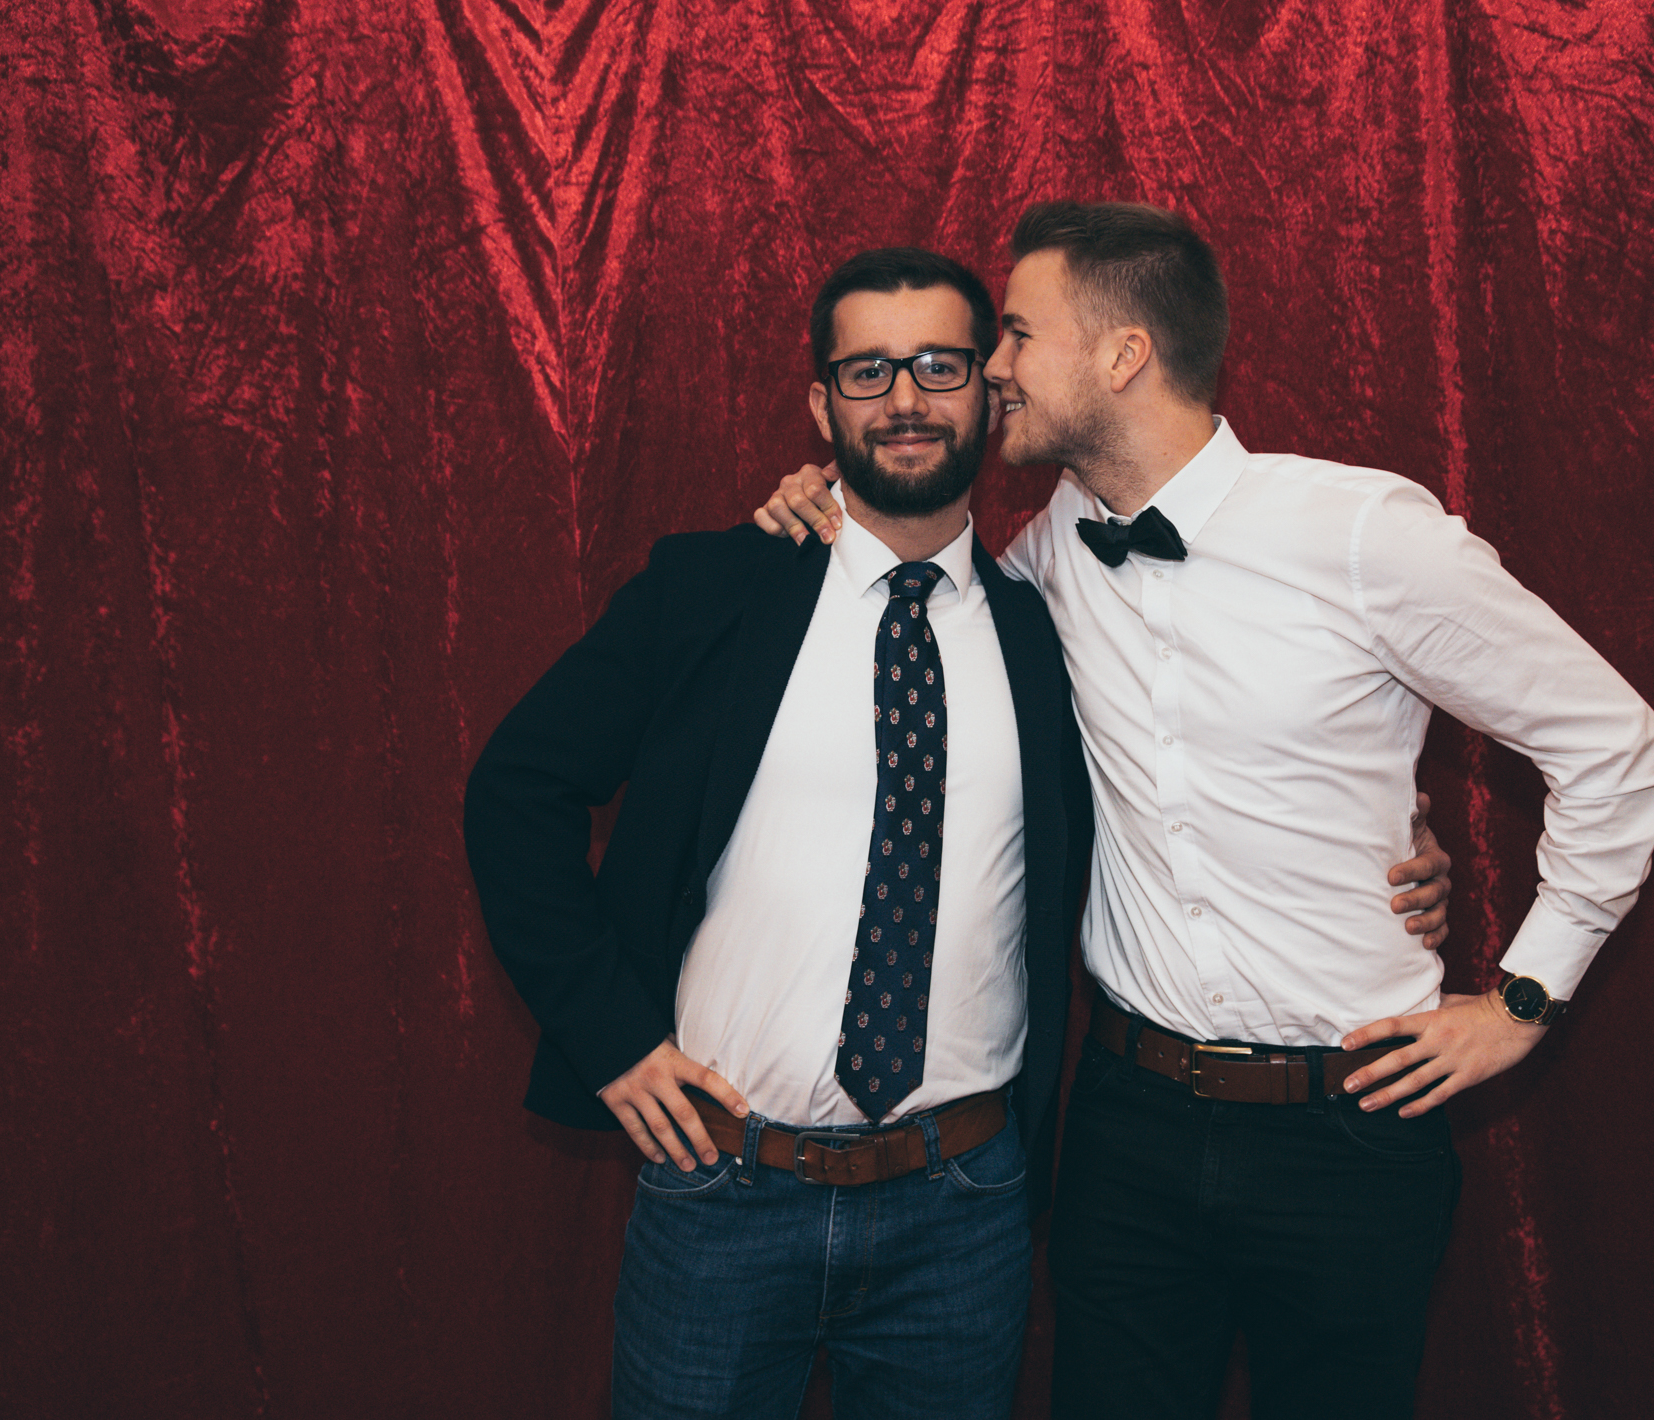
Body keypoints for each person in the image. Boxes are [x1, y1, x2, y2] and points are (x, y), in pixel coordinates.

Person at [464, 243, 1460, 1420]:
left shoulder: (1047, 625)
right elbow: (514, 790)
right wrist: (612, 1038)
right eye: (867, 371)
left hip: (960, 1212)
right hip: (722, 1192)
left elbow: (1194, 774)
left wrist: (1380, 838)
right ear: (820, 405)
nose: (903, 399)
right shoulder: (712, 591)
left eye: (938, 365)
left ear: (989, 393)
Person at [756, 202, 1654, 1420]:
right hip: (1126, 1125)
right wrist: (822, 507)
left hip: (1349, 1127)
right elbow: (925, 596)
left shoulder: (1360, 534)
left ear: (1122, 354)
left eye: (1017, 335)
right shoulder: (1045, 550)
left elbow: (1619, 751)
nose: (991, 368)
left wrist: (1522, 999)